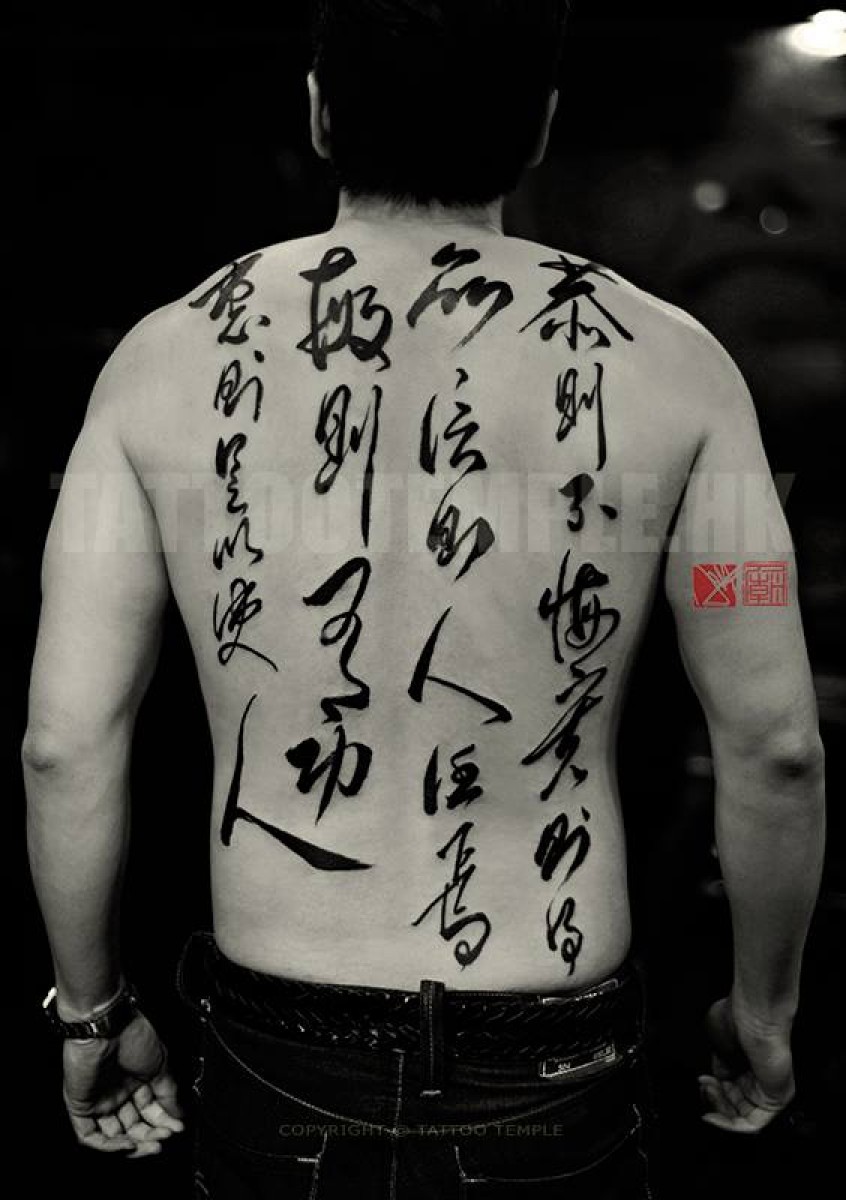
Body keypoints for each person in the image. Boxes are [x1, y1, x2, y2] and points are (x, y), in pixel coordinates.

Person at [24, 1, 826, 1196]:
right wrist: (764, 1012)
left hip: (282, 1045)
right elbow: (777, 746)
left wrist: (91, 1015)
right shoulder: (683, 370)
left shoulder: (156, 361)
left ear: (320, 113)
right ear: (540, 126)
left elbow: (64, 743)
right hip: (552, 1046)